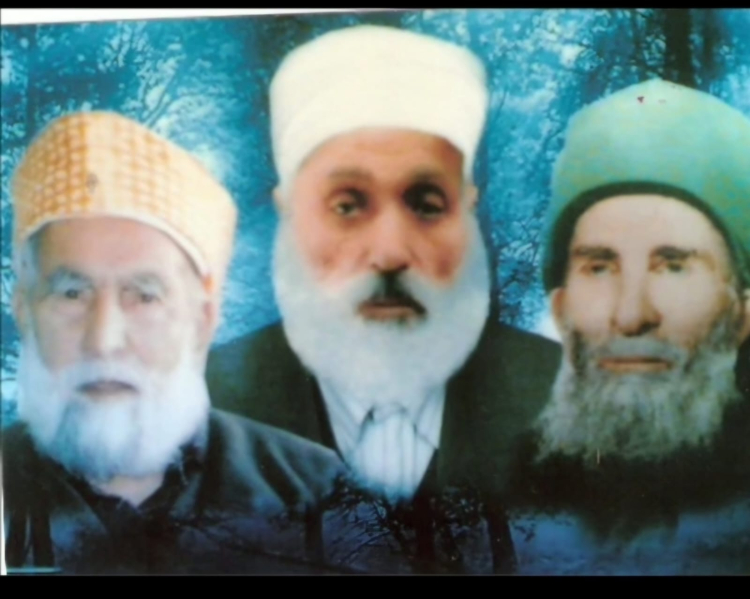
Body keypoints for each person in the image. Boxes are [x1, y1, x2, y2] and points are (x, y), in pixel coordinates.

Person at [206, 24, 560, 573]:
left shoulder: (562, 394)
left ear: (467, 210)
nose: (391, 252)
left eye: (426, 203)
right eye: (347, 206)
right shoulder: (205, 408)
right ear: (288, 212)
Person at [2, 111, 348, 575]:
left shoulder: (320, 492)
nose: (104, 340)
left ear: (203, 318)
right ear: (24, 309)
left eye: (144, 296)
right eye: (72, 293)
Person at [506, 78, 750, 575]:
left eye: (673, 266)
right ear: (561, 308)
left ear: (740, 315)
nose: (631, 315)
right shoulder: (508, 486)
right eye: (599, 267)